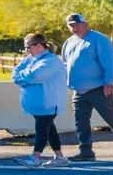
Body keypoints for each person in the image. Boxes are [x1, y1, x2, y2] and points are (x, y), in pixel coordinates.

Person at [61, 13, 113, 161]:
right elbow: (66, 64)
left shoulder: (98, 40)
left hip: (99, 88)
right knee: (81, 121)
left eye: (76, 24)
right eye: (70, 25)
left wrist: (109, 82)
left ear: (85, 24)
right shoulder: (69, 42)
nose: (74, 28)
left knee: (111, 119)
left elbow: (110, 62)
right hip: (79, 90)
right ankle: (86, 152)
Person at [10, 33, 70, 167]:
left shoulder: (51, 61)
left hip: (48, 102)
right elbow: (15, 74)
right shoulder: (30, 59)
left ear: (38, 45)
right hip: (38, 104)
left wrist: (23, 78)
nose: (26, 51)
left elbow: (36, 76)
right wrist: (24, 78)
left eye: (28, 47)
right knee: (49, 130)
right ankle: (60, 157)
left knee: (42, 130)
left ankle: (35, 157)